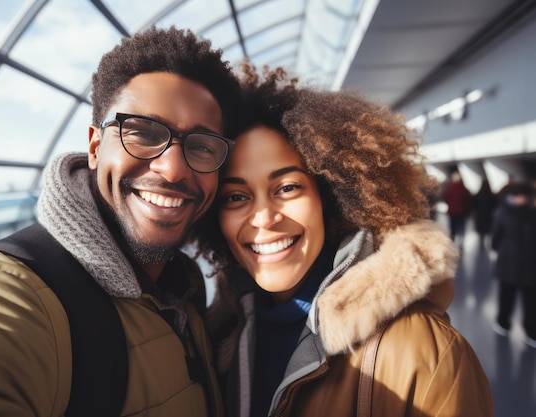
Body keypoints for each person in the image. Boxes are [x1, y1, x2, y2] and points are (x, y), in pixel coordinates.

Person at [0, 26, 241, 416]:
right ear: (96, 147)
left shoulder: (184, 286)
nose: (172, 169)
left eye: (201, 146)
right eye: (143, 132)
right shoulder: (14, 297)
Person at [191, 66, 494, 416]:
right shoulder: (221, 334)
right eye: (235, 197)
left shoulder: (426, 356)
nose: (263, 218)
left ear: (330, 197)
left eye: (287, 187)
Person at [490, 181, 536, 348]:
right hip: (510, 263)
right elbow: (495, 238)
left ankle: (531, 331)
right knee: (506, 298)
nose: (521, 199)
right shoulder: (505, 213)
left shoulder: (526, 213)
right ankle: (503, 323)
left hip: (528, 265)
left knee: (530, 302)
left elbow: (495, 240)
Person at [443, 170, 473, 246]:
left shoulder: (450, 188)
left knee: (453, 228)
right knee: (461, 228)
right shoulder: (464, 189)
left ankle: (452, 241)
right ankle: (461, 242)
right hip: (462, 212)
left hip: (452, 212)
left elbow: (446, 199)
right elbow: (469, 201)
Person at [472, 178, 497, 246]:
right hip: (488, 215)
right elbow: (494, 205)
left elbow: (474, 204)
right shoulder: (491, 195)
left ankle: (481, 243)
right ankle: (488, 243)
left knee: (481, 231)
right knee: (488, 230)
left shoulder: (478, 194)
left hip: (480, 215)